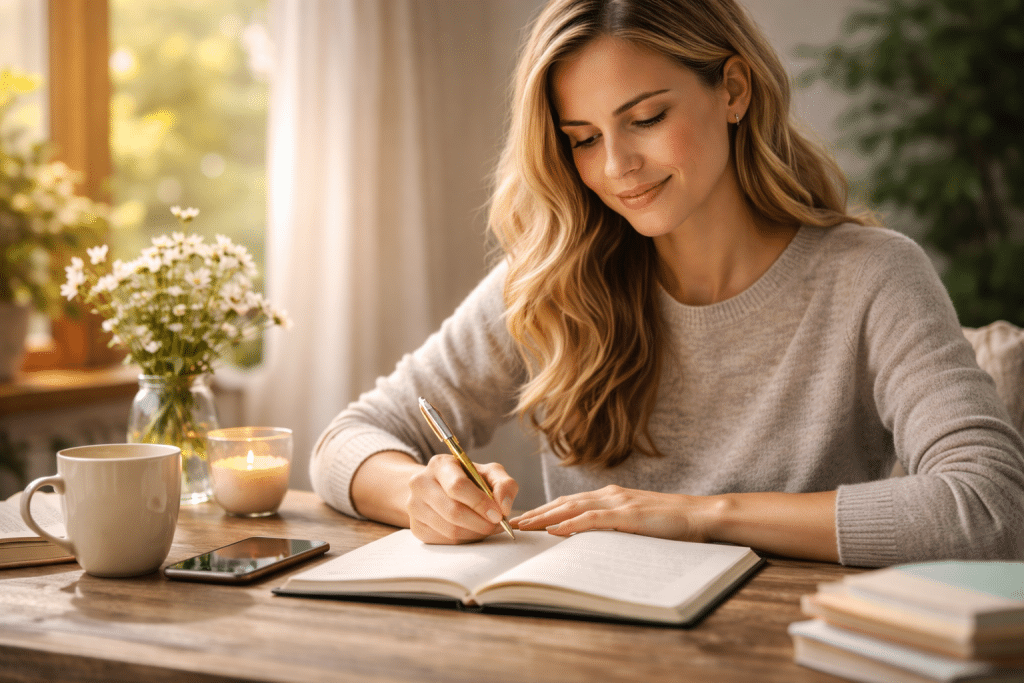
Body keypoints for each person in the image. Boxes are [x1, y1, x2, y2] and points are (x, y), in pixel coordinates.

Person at [310, 0, 1024, 567]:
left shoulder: (873, 275)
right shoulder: (558, 277)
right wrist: (420, 493)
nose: (616, 165)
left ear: (733, 90)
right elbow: (347, 440)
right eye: (583, 138)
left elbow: (991, 506)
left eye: (646, 118)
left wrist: (693, 515)